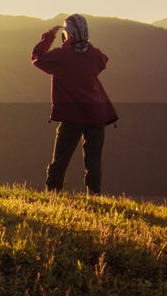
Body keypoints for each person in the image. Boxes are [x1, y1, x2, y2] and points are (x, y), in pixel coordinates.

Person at [30, 13, 118, 195]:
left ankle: (53, 192)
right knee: (93, 159)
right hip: (97, 115)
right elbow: (103, 61)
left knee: (61, 158)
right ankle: (94, 194)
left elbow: (37, 58)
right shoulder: (95, 55)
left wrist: (49, 36)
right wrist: (86, 46)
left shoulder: (61, 56)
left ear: (68, 33)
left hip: (72, 116)